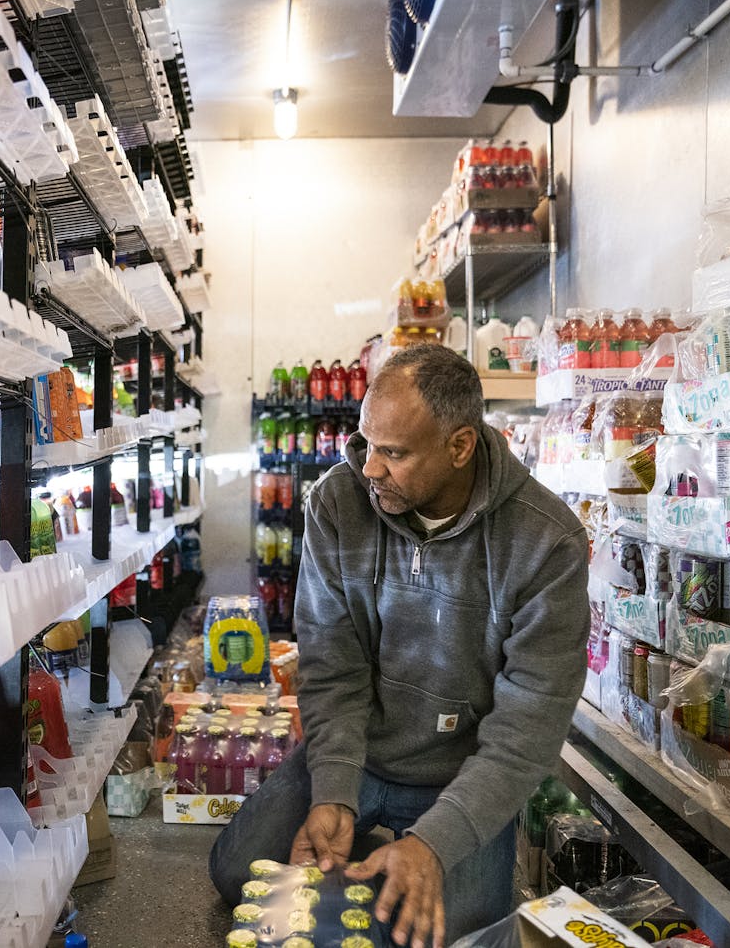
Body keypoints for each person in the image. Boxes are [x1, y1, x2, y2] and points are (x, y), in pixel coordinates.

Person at [210, 344, 590, 948]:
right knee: (239, 875)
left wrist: (436, 844)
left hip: (457, 776)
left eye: (394, 453)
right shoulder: (338, 503)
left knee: (435, 934)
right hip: (360, 757)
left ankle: (404, 847)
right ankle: (366, 835)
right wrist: (334, 788)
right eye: (366, 444)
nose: (370, 470)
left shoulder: (545, 543)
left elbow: (528, 730)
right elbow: (332, 666)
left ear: (460, 446)